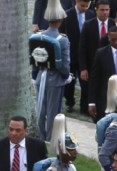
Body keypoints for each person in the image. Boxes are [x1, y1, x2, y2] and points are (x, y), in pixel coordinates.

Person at [34, 0, 71, 140]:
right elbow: (65, 65)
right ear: (60, 20)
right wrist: (67, 76)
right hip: (55, 80)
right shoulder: (62, 40)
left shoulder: (40, 36)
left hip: (40, 77)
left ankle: (40, 137)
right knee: (53, 113)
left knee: (40, 111)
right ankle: (50, 139)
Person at [60, 0, 95, 115]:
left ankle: (84, 106)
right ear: (76, 2)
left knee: (85, 81)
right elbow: (62, 34)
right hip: (71, 53)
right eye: (82, 5)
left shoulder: (90, 15)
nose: (84, 8)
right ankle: (69, 101)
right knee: (70, 81)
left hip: (84, 55)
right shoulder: (66, 15)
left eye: (87, 6)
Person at [78, 0, 115, 105]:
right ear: (96, 10)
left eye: (107, 10)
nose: (105, 12)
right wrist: (83, 68)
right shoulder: (88, 25)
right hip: (91, 62)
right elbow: (82, 47)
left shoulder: (113, 24)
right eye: (102, 10)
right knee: (90, 87)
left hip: (108, 63)